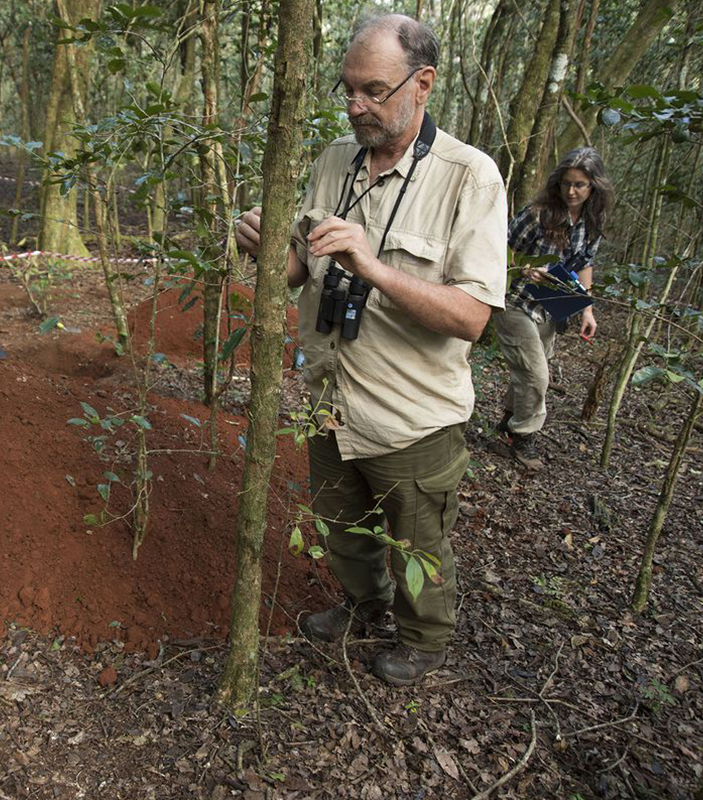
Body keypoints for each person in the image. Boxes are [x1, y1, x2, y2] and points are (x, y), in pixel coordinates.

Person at [234, 13, 507, 685]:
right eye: (347, 89)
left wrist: (375, 266)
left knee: (419, 541)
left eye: (373, 90)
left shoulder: (470, 178)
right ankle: (363, 605)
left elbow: (473, 317)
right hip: (328, 400)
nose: (356, 105)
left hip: (412, 415)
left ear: (424, 83)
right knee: (342, 527)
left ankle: (424, 638)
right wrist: (264, 248)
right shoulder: (334, 160)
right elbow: (298, 272)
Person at [492, 148, 613, 470]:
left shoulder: (592, 220)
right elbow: (497, 249)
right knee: (536, 375)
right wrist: (525, 267)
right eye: (566, 184)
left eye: (580, 185)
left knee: (532, 370)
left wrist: (587, 309)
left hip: (552, 305)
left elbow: (586, 263)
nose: (571, 192)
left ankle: (507, 423)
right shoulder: (538, 214)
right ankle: (523, 438)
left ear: (593, 187)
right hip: (515, 299)